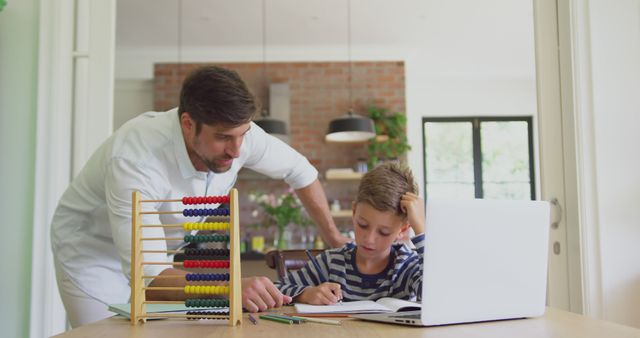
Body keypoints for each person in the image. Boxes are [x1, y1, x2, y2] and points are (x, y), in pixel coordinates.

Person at [50, 66, 349, 327]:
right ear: (188, 124)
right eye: (222, 138)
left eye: (242, 135)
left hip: (156, 258)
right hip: (93, 254)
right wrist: (232, 288)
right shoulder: (136, 161)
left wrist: (335, 240)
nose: (236, 150)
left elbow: (301, 171)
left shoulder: (239, 135)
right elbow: (150, 280)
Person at [275, 163, 425, 304]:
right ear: (354, 212)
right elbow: (277, 289)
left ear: (403, 230)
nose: (369, 239)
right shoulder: (332, 262)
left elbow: (438, 297)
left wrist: (422, 230)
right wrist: (305, 294)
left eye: (384, 232)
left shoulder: (406, 265)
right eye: (363, 225)